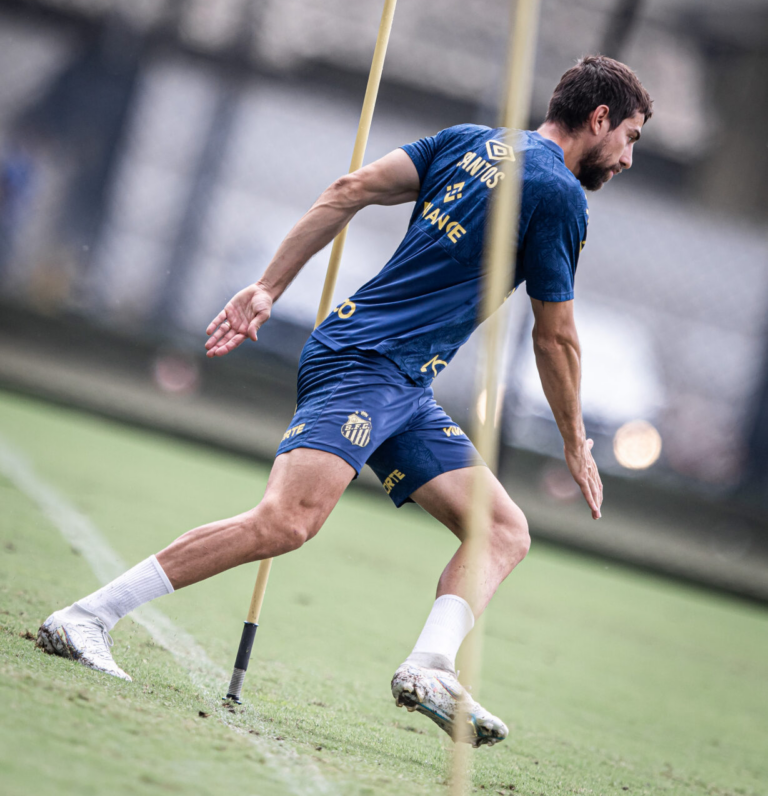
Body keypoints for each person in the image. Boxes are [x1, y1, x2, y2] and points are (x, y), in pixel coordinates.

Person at [37, 55, 652, 747]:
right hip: (367, 365)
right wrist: (575, 440)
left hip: (401, 381)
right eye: (630, 137)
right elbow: (557, 337)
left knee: (503, 529)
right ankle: (88, 615)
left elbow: (349, 187)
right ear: (598, 119)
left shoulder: (469, 141)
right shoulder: (561, 195)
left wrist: (268, 285)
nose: (628, 158)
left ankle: (430, 665)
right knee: (287, 522)